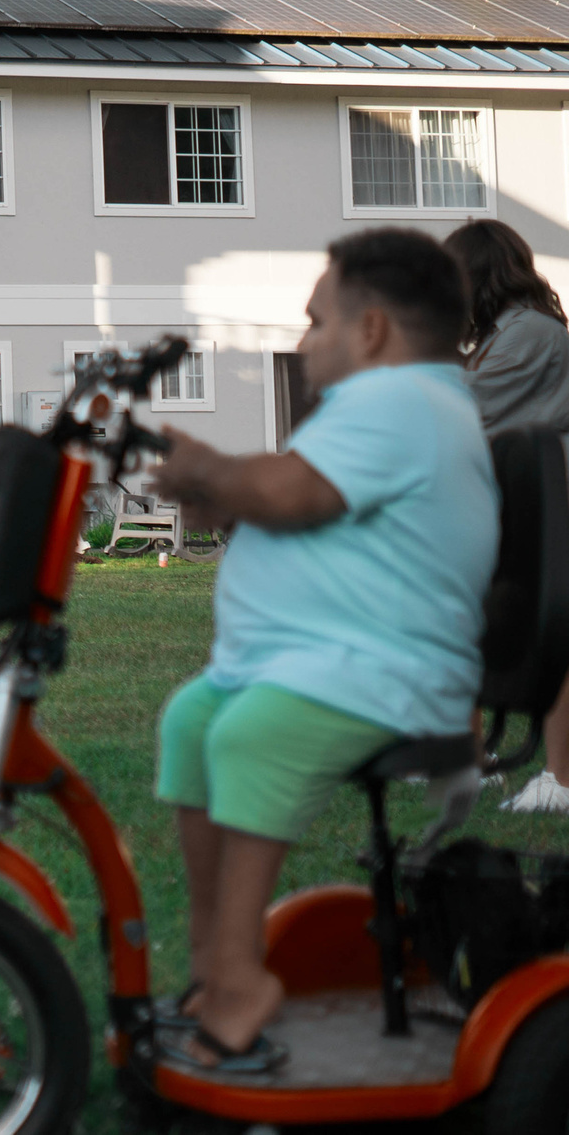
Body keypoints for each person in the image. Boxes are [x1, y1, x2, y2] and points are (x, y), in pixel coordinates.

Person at [148, 228, 499, 1072]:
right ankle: (211, 965)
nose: (304, 341)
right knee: (193, 719)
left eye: (315, 321)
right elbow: (299, 500)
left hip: (389, 670)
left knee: (249, 735)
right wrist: (218, 491)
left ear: (371, 329)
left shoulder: (403, 402)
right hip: (320, 661)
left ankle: (240, 979)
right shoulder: (384, 406)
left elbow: (295, 492)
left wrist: (206, 465)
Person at [444, 220, 569, 815]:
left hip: (552, 505)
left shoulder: (531, 334)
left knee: (556, 641)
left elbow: (462, 406)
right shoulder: (505, 333)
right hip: (517, 506)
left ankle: (562, 780)